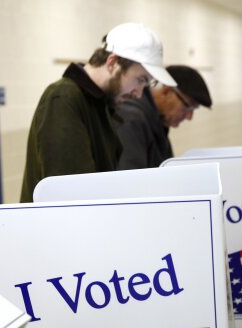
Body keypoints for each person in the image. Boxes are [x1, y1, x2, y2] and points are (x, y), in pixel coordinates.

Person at [19, 22, 176, 202]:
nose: (139, 93)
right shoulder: (63, 98)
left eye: (147, 83)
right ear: (112, 63)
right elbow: (69, 196)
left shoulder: (101, 104)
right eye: (139, 80)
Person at [115, 65, 213, 169]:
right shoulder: (132, 121)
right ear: (166, 91)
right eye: (188, 106)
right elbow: (130, 180)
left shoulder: (158, 122)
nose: (189, 117)